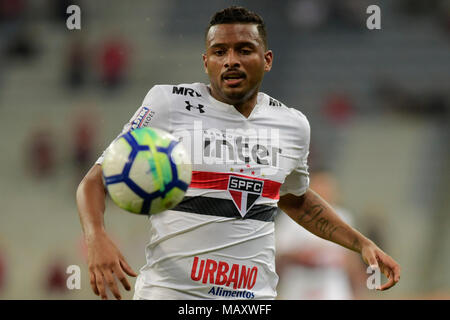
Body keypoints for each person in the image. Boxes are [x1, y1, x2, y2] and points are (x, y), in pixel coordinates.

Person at [76, 6, 400, 300]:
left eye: (244, 50)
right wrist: (96, 237)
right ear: (206, 62)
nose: (231, 60)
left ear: (267, 59)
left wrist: (360, 243)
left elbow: (296, 199)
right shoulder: (168, 104)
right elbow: (95, 180)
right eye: (220, 51)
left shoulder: (292, 125)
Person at [275, 170, 366, 299]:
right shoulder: (291, 217)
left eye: (328, 187)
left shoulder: (344, 218)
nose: (324, 191)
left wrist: (358, 289)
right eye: (319, 186)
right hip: (298, 288)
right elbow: (276, 256)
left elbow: (351, 260)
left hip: (333, 290)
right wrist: (300, 255)